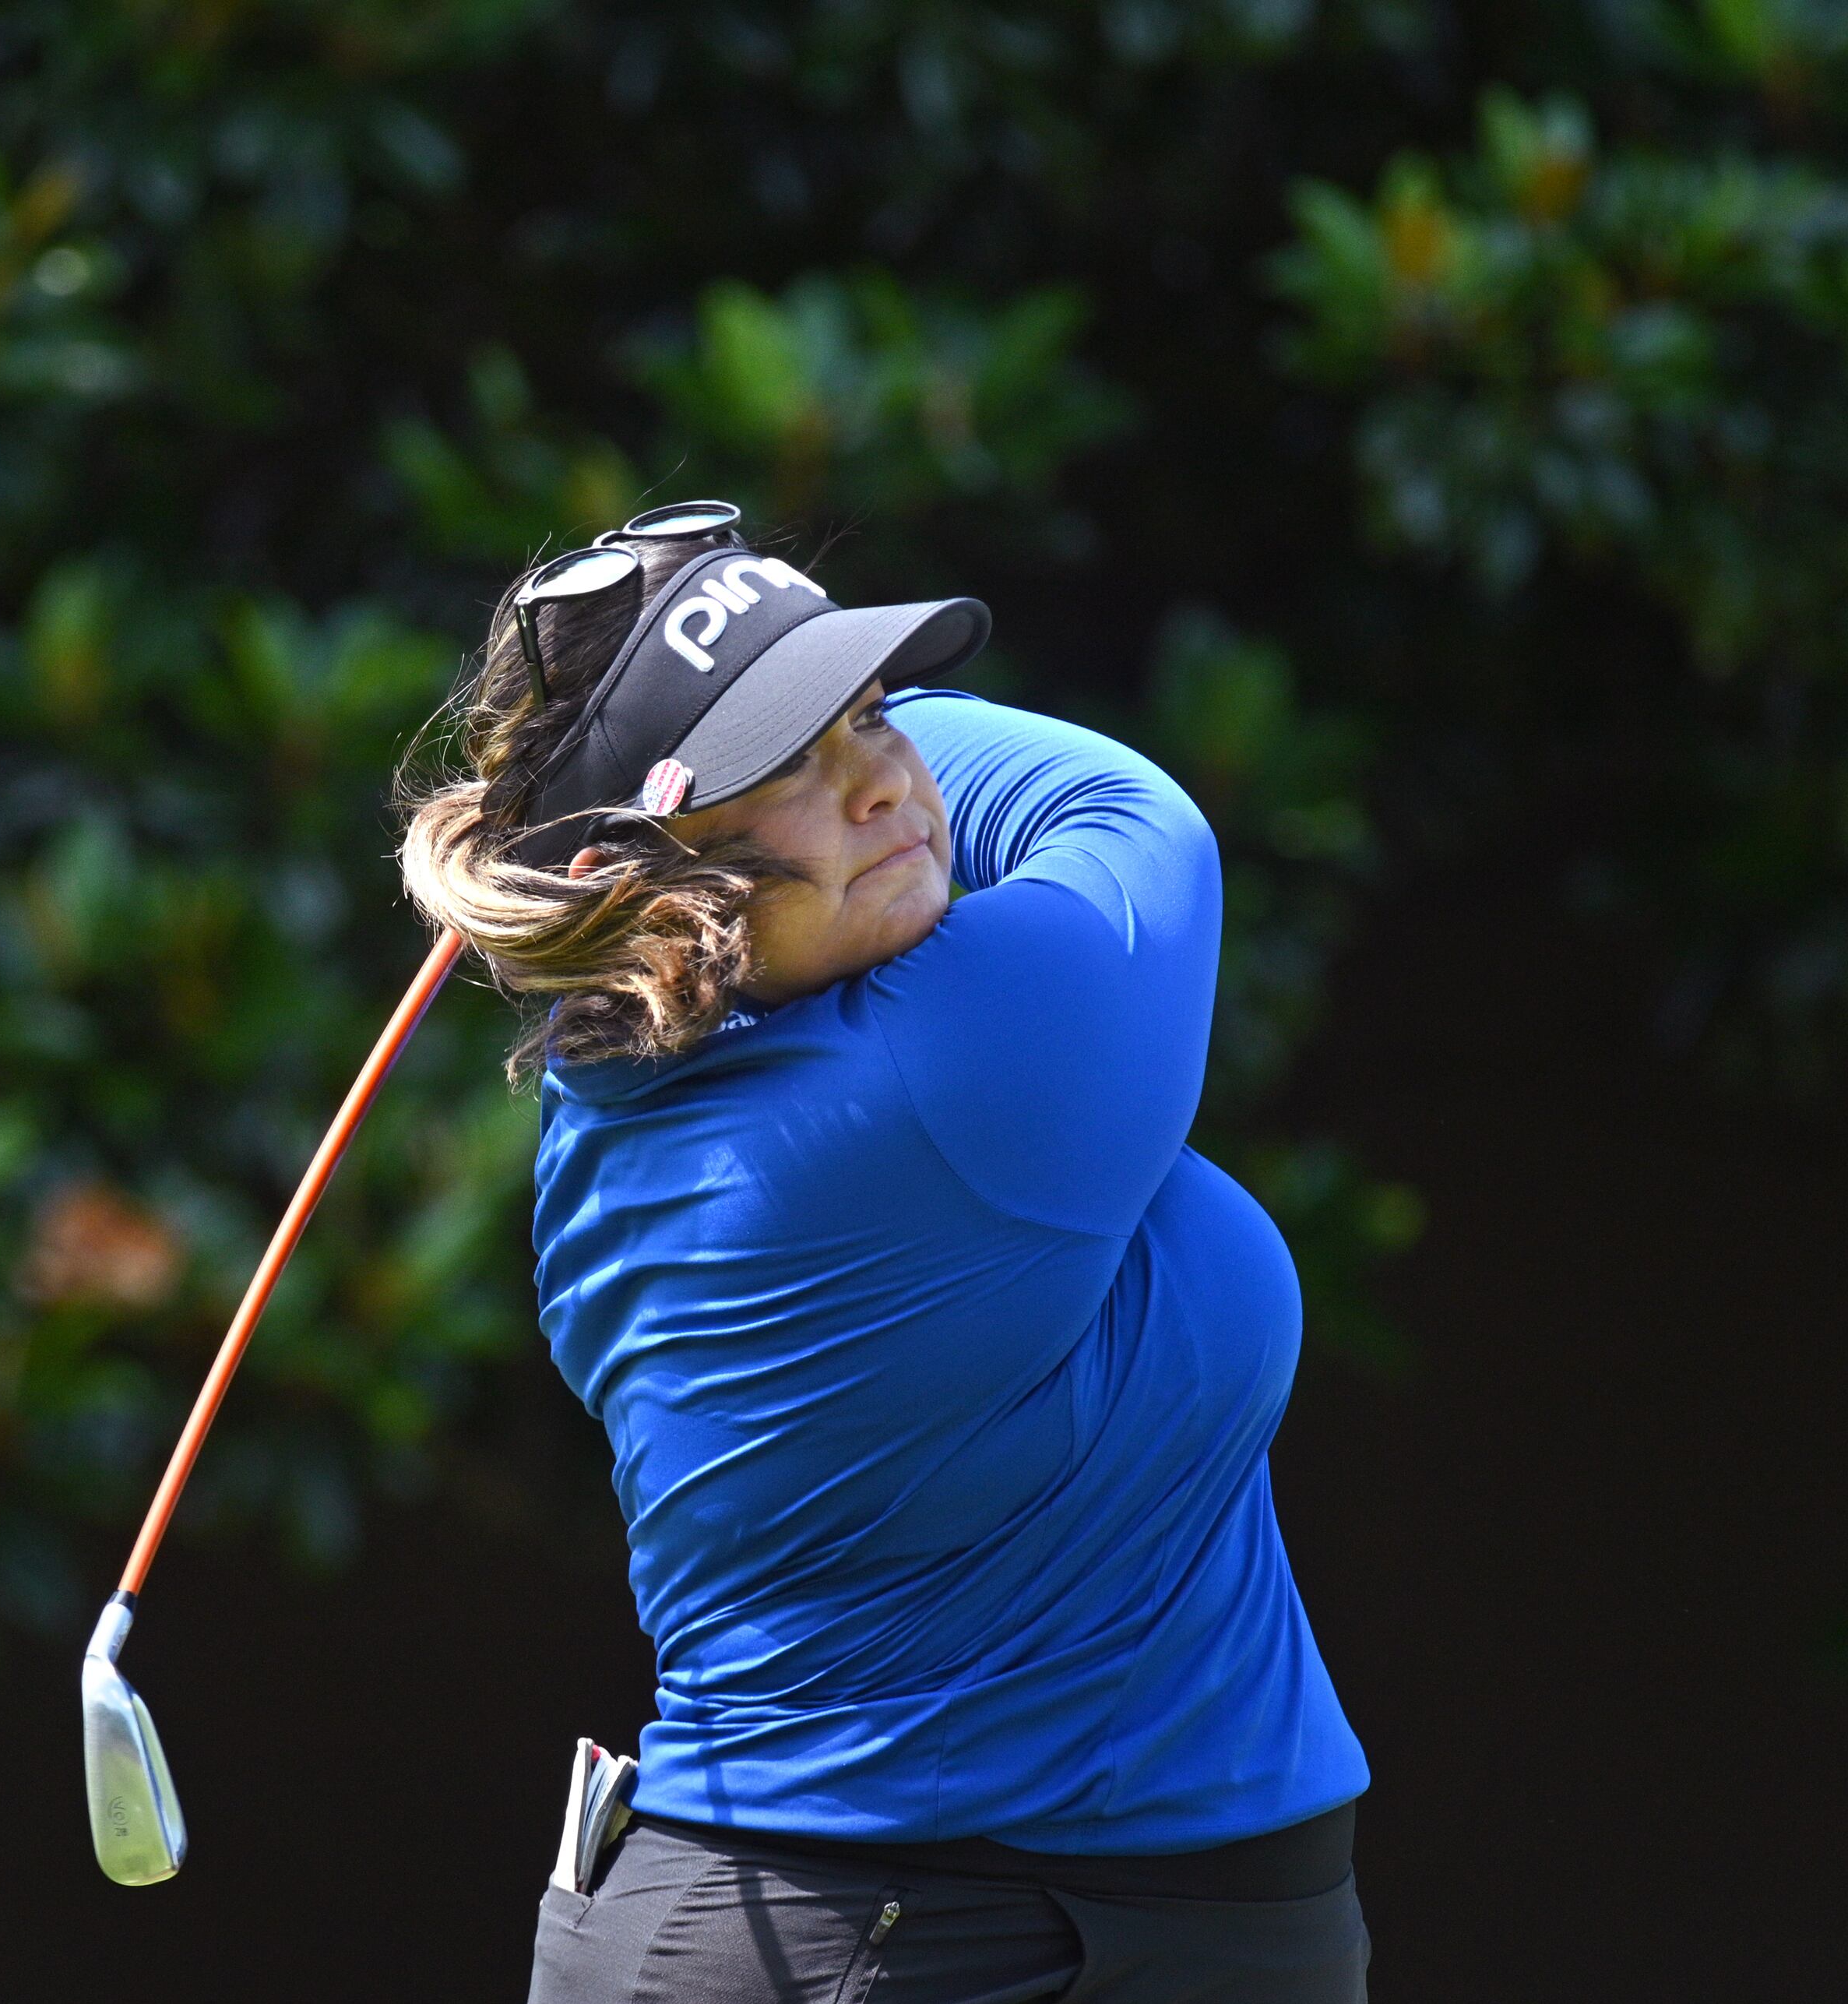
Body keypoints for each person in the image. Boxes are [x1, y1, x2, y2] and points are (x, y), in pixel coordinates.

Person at [397, 502, 1371, 2002]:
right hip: (876, 1944)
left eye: (869, 715)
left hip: (1045, 1922)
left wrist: (745, 676)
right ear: (655, 890)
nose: (883, 781)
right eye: (789, 767)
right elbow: (1126, 811)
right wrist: (791, 677)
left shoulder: (628, 1090)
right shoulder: (952, 1069)